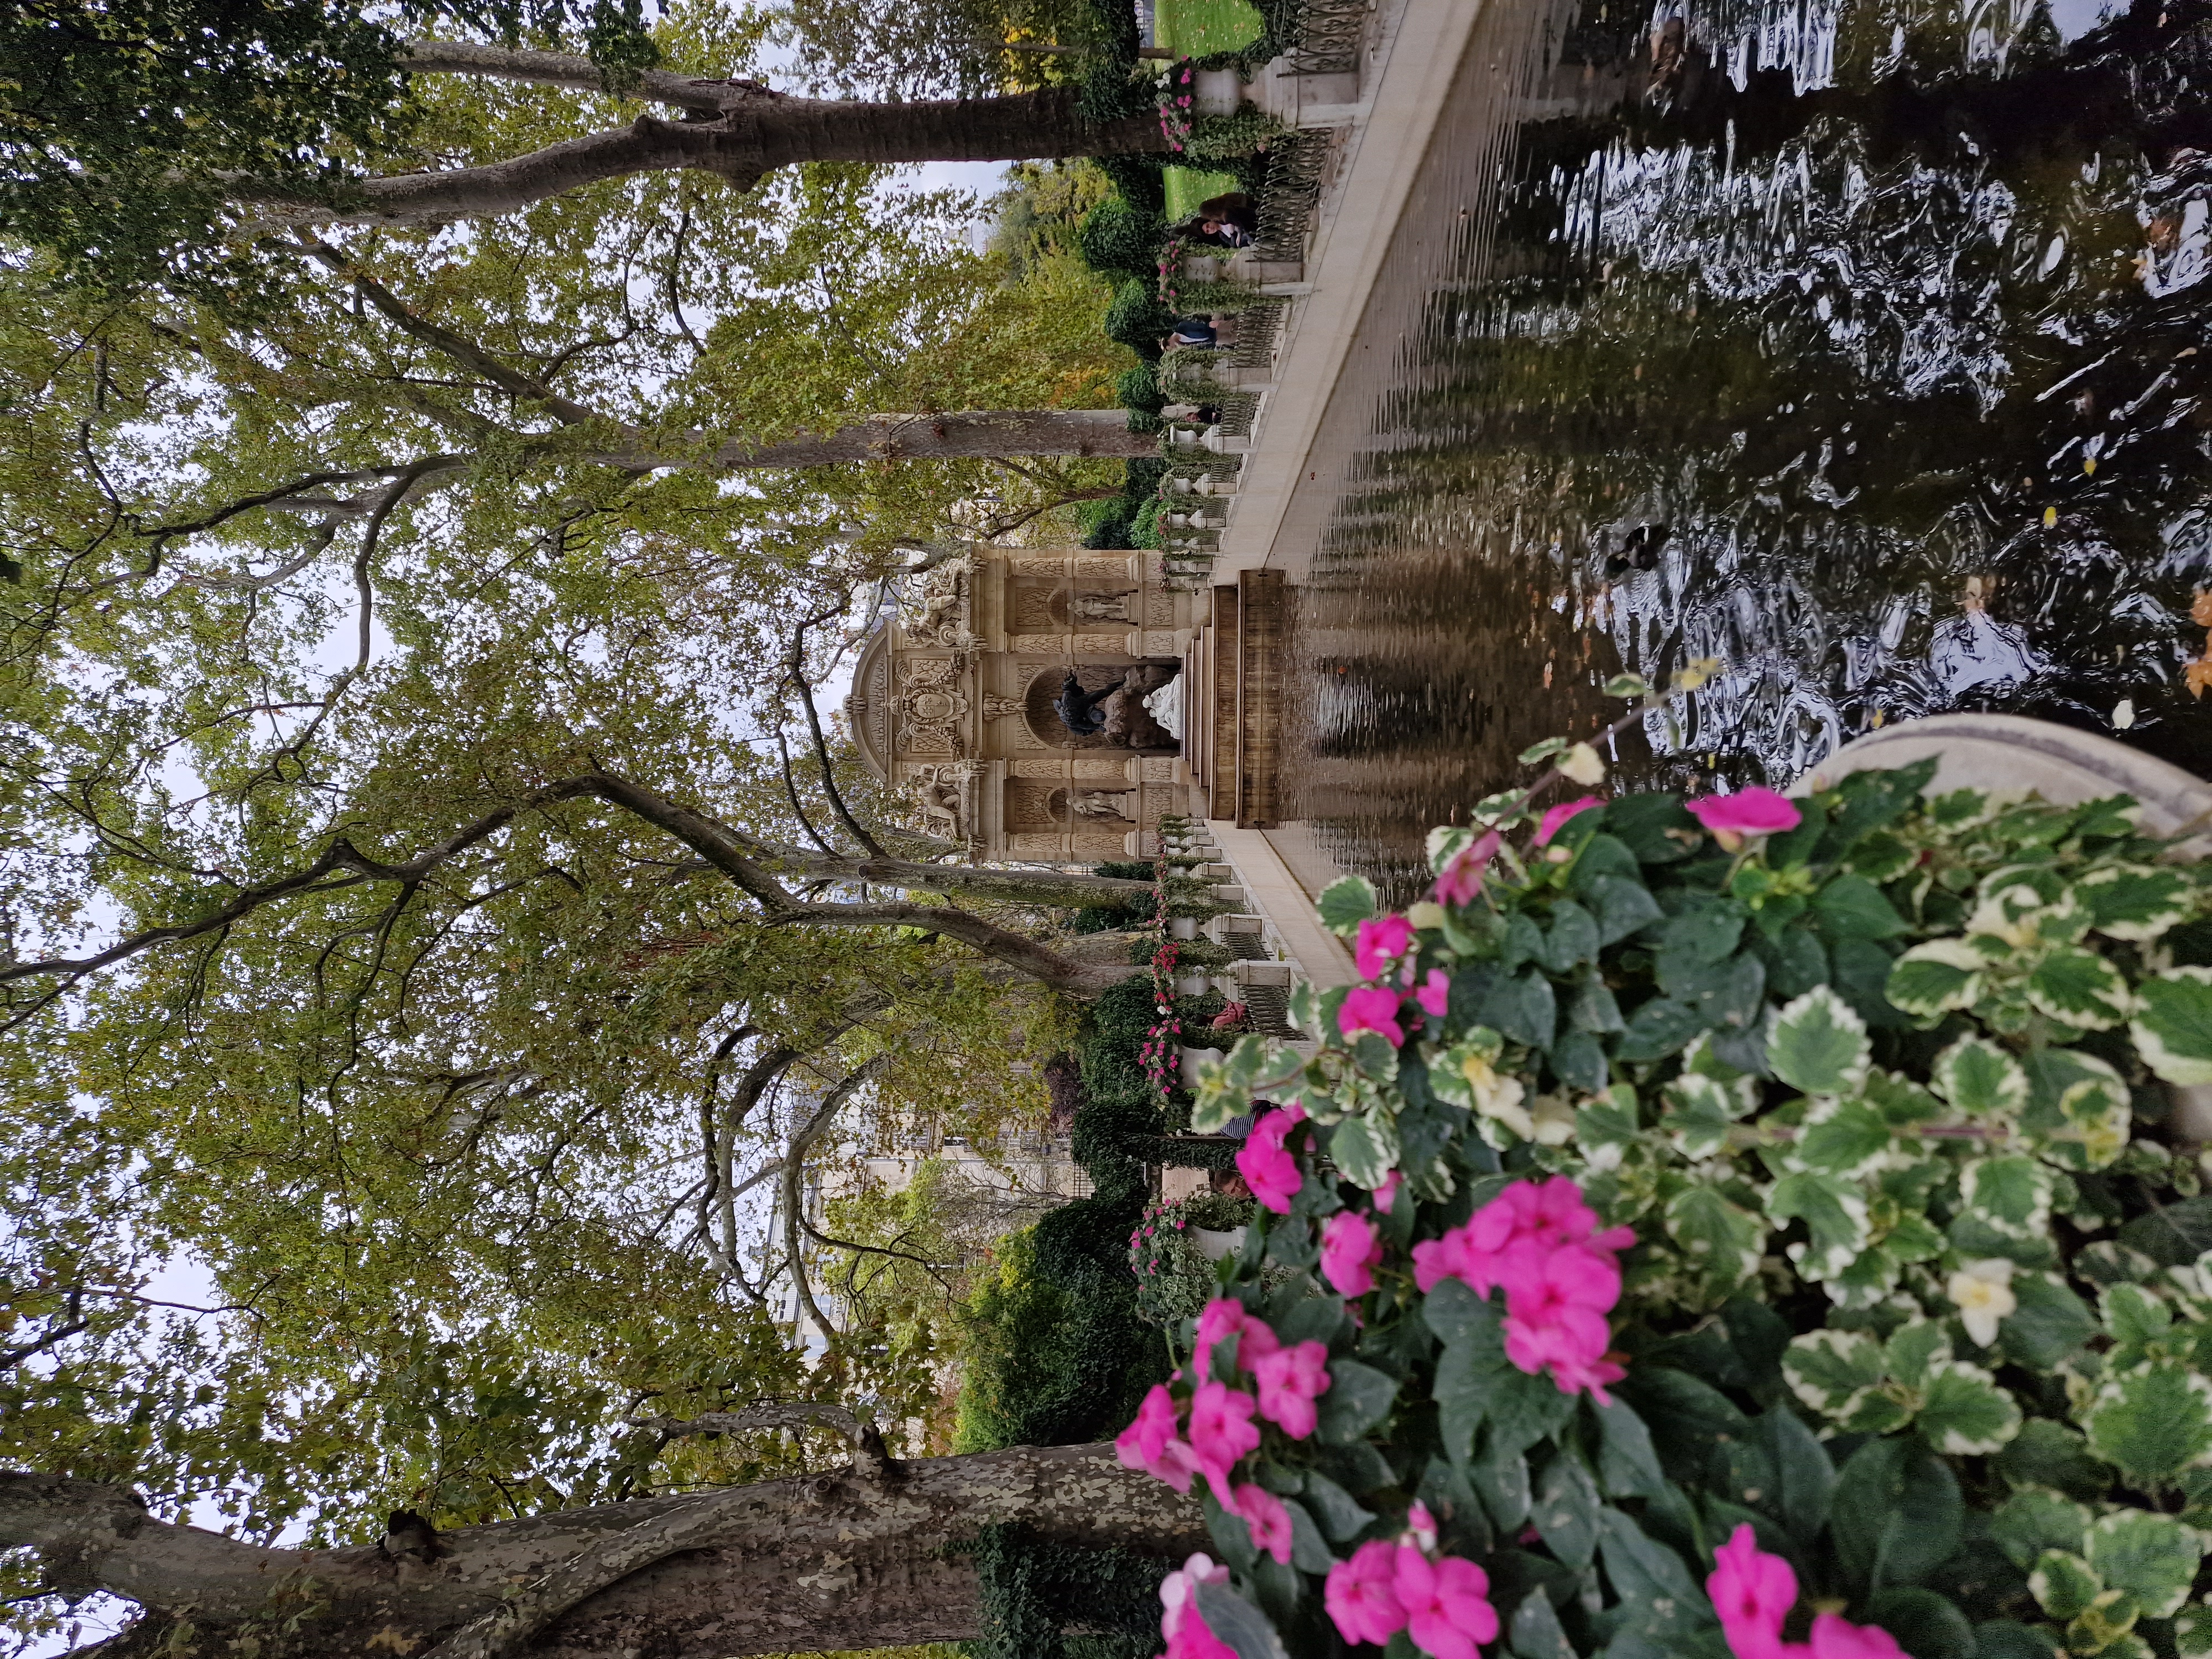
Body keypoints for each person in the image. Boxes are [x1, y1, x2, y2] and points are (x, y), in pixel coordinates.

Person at [1053, 671, 1110, 735]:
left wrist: (1069, 682)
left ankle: (1121, 683)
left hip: (1084, 700)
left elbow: (1067, 688)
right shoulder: (1072, 723)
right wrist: (1099, 727)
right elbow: (1085, 726)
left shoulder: (1066, 700)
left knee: (1104, 692)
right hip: (1086, 712)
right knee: (1101, 716)